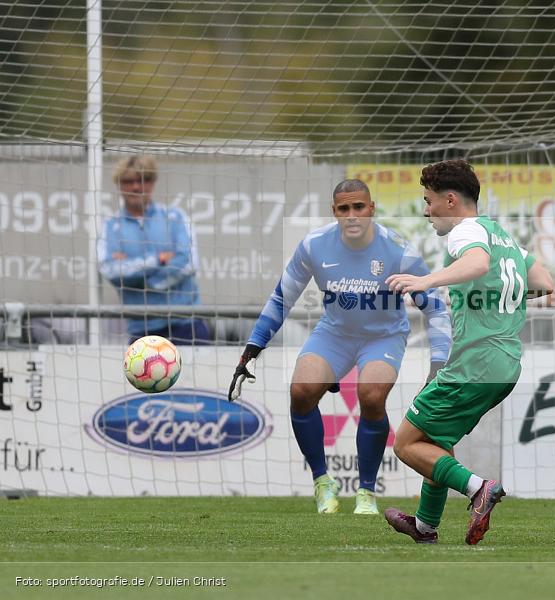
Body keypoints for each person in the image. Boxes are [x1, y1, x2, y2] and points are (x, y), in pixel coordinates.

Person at [228, 179, 451, 515]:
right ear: (334, 212)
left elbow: (434, 306)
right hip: (334, 334)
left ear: (371, 208)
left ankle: (366, 492)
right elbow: (281, 299)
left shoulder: (398, 250)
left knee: (372, 395)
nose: (352, 216)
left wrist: (438, 362)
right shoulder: (313, 246)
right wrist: (253, 347)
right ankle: (323, 482)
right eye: (344, 209)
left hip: (383, 336)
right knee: (301, 391)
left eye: (358, 207)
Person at [383, 160, 554, 545]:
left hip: (475, 361)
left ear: (450, 200)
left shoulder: (466, 232)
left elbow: (476, 263)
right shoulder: (502, 236)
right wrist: (499, 299)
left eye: (428, 201)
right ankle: (425, 526)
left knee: (408, 443)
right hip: (506, 362)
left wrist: (425, 281)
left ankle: (479, 488)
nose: (426, 211)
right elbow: (544, 282)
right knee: (437, 441)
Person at [98, 155, 212, 345]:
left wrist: (143, 282)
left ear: (152, 182)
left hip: (187, 324)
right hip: (142, 330)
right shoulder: (110, 227)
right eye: (128, 181)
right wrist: (158, 260)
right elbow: (111, 271)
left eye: (143, 179)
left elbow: (189, 263)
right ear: (119, 184)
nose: (136, 187)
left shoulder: (175, 217)